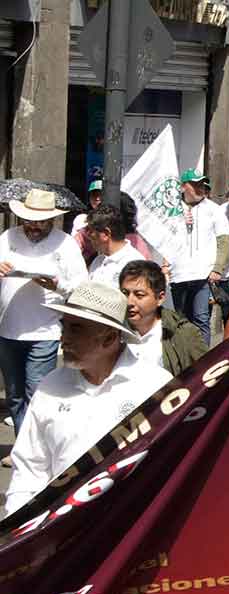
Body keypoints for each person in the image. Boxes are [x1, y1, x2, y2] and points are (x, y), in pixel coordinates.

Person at [5, 281, 173, 515]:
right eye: (64, 327)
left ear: (108, 338)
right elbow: (29, 468)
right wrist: (16, 530)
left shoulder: (153, 386)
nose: (63, 338)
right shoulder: (50, 386)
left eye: (76, 329)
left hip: (130, 525)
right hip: (61, 530)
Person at [0, 189, 89, 432]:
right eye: (29, 220)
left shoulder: (66, 244)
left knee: (36, 393)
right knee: (15, 395)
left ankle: (36, 450)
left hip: (45, 331)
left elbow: (82, 287)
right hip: (8, 330)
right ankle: (23, 447)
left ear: (52, 219)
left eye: (40, 221)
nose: (34, 226)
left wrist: (58, 285)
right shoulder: (7, 237)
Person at [170, 169, 229, 344]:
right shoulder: (172, 209)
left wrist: (218, 268)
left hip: (202, 275)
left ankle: (202, 359)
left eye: (201, 184)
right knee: (180, 320)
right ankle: (183, 358)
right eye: (194, 184)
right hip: (177, 274)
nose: (199, 188)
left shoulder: (214, 210)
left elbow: (224, 241)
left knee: (201, 318)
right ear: (183, 187)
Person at [118, 261, 207, 374]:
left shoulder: (183, 334)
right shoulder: (112, 332)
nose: (129, 302)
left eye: (139, 295)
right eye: (125, 293)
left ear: (160, 298)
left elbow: (204, 378)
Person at [84, 204, 146, 286]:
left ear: (106, 234)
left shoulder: (136, 265)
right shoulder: (98, 260)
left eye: (90, 231)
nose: (87, 235)